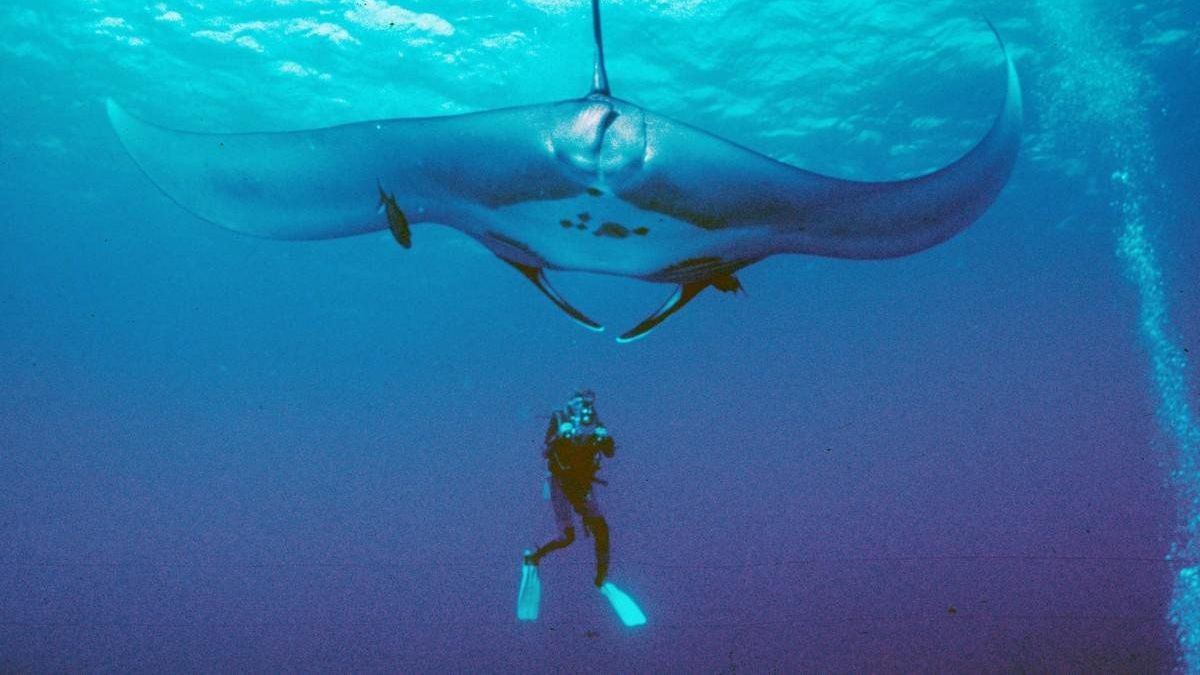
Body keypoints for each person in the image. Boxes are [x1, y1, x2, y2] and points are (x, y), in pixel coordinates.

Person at [526, 389, 615, 587]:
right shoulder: (560, 419)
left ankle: (601, 576)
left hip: (582, 484)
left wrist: (605, 438)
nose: (582, 407)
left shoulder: (595, 423)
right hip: (561, 482)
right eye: (578, 402)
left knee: (601, 529)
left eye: (586, 402)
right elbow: (545, 450)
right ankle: (534, 556)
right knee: (567, 537)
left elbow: (609, 452)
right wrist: (561, 435)